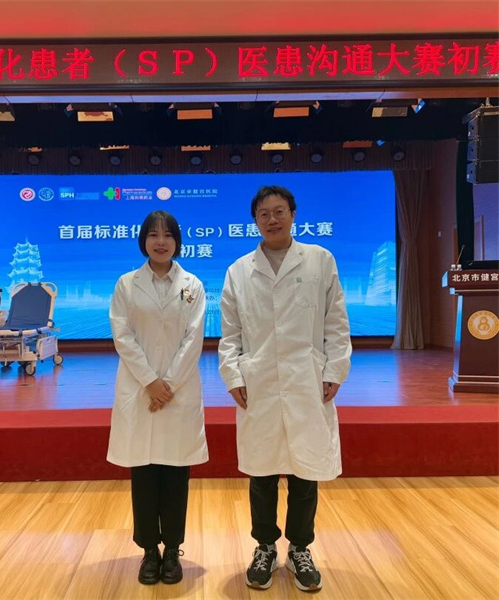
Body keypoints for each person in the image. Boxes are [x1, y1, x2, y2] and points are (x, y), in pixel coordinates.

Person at [218, 185, 351, 591]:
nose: (272, 219)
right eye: (264, 214)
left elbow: (335, 321)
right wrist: (233, 376)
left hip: (307, 379)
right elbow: (230, 334)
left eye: (279, 211)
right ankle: (264, 547)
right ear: (255, 221)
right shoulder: (239, 270)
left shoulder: (319, 260)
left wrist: (335, 369)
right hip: (258, 383)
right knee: (262, 473)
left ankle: (299, 548)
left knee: (304, 472)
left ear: (293, 214)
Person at [107, 210, 208, 585]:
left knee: (176, 475)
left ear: (177, 241)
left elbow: (193, 338)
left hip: (178, 394)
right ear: (143, 241)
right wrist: (151, 382)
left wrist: (169, 385)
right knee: (145, 475)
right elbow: (123, 336)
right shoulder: (127, 284)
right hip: (140, 390)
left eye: (167, 234)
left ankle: (173, 550)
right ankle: (149, 550)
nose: (160, 241)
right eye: (153, 234)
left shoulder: (192, 285)